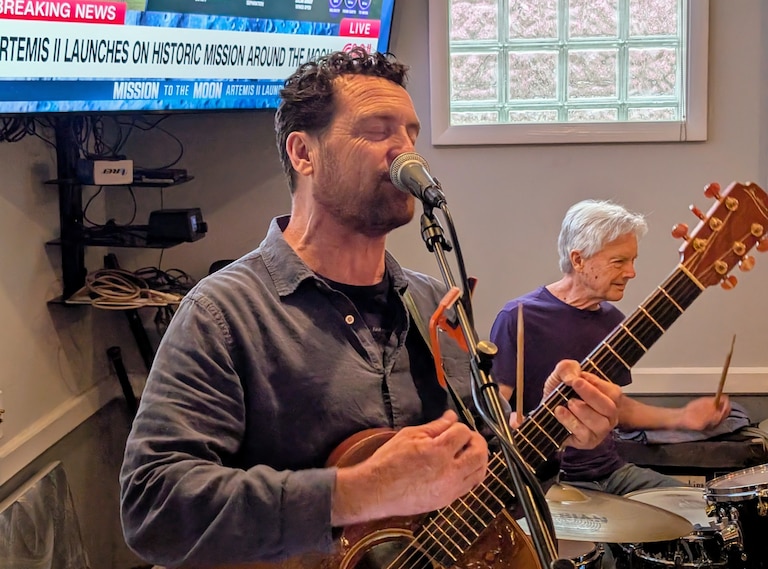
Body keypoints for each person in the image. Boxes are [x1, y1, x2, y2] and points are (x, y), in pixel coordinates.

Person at [119, 48, 621, 568]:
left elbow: (479, 483)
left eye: (411, 134)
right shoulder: (223, 313)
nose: (407, 152)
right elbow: (152, 508)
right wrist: (358, 491)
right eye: (378, 131)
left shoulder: (434, 302)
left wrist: (555, 431)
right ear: (303, 154)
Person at [490, 199, 732, 496]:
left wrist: (682, 418)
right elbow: (494, 410)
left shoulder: (614, 322)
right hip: (549, 484)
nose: (631, 272)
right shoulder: (518, 316)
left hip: (611, 471)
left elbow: (614, 404)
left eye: (633, 261)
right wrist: (511, 424)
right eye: (619, 262)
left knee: (703, 508)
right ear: (578, 260)